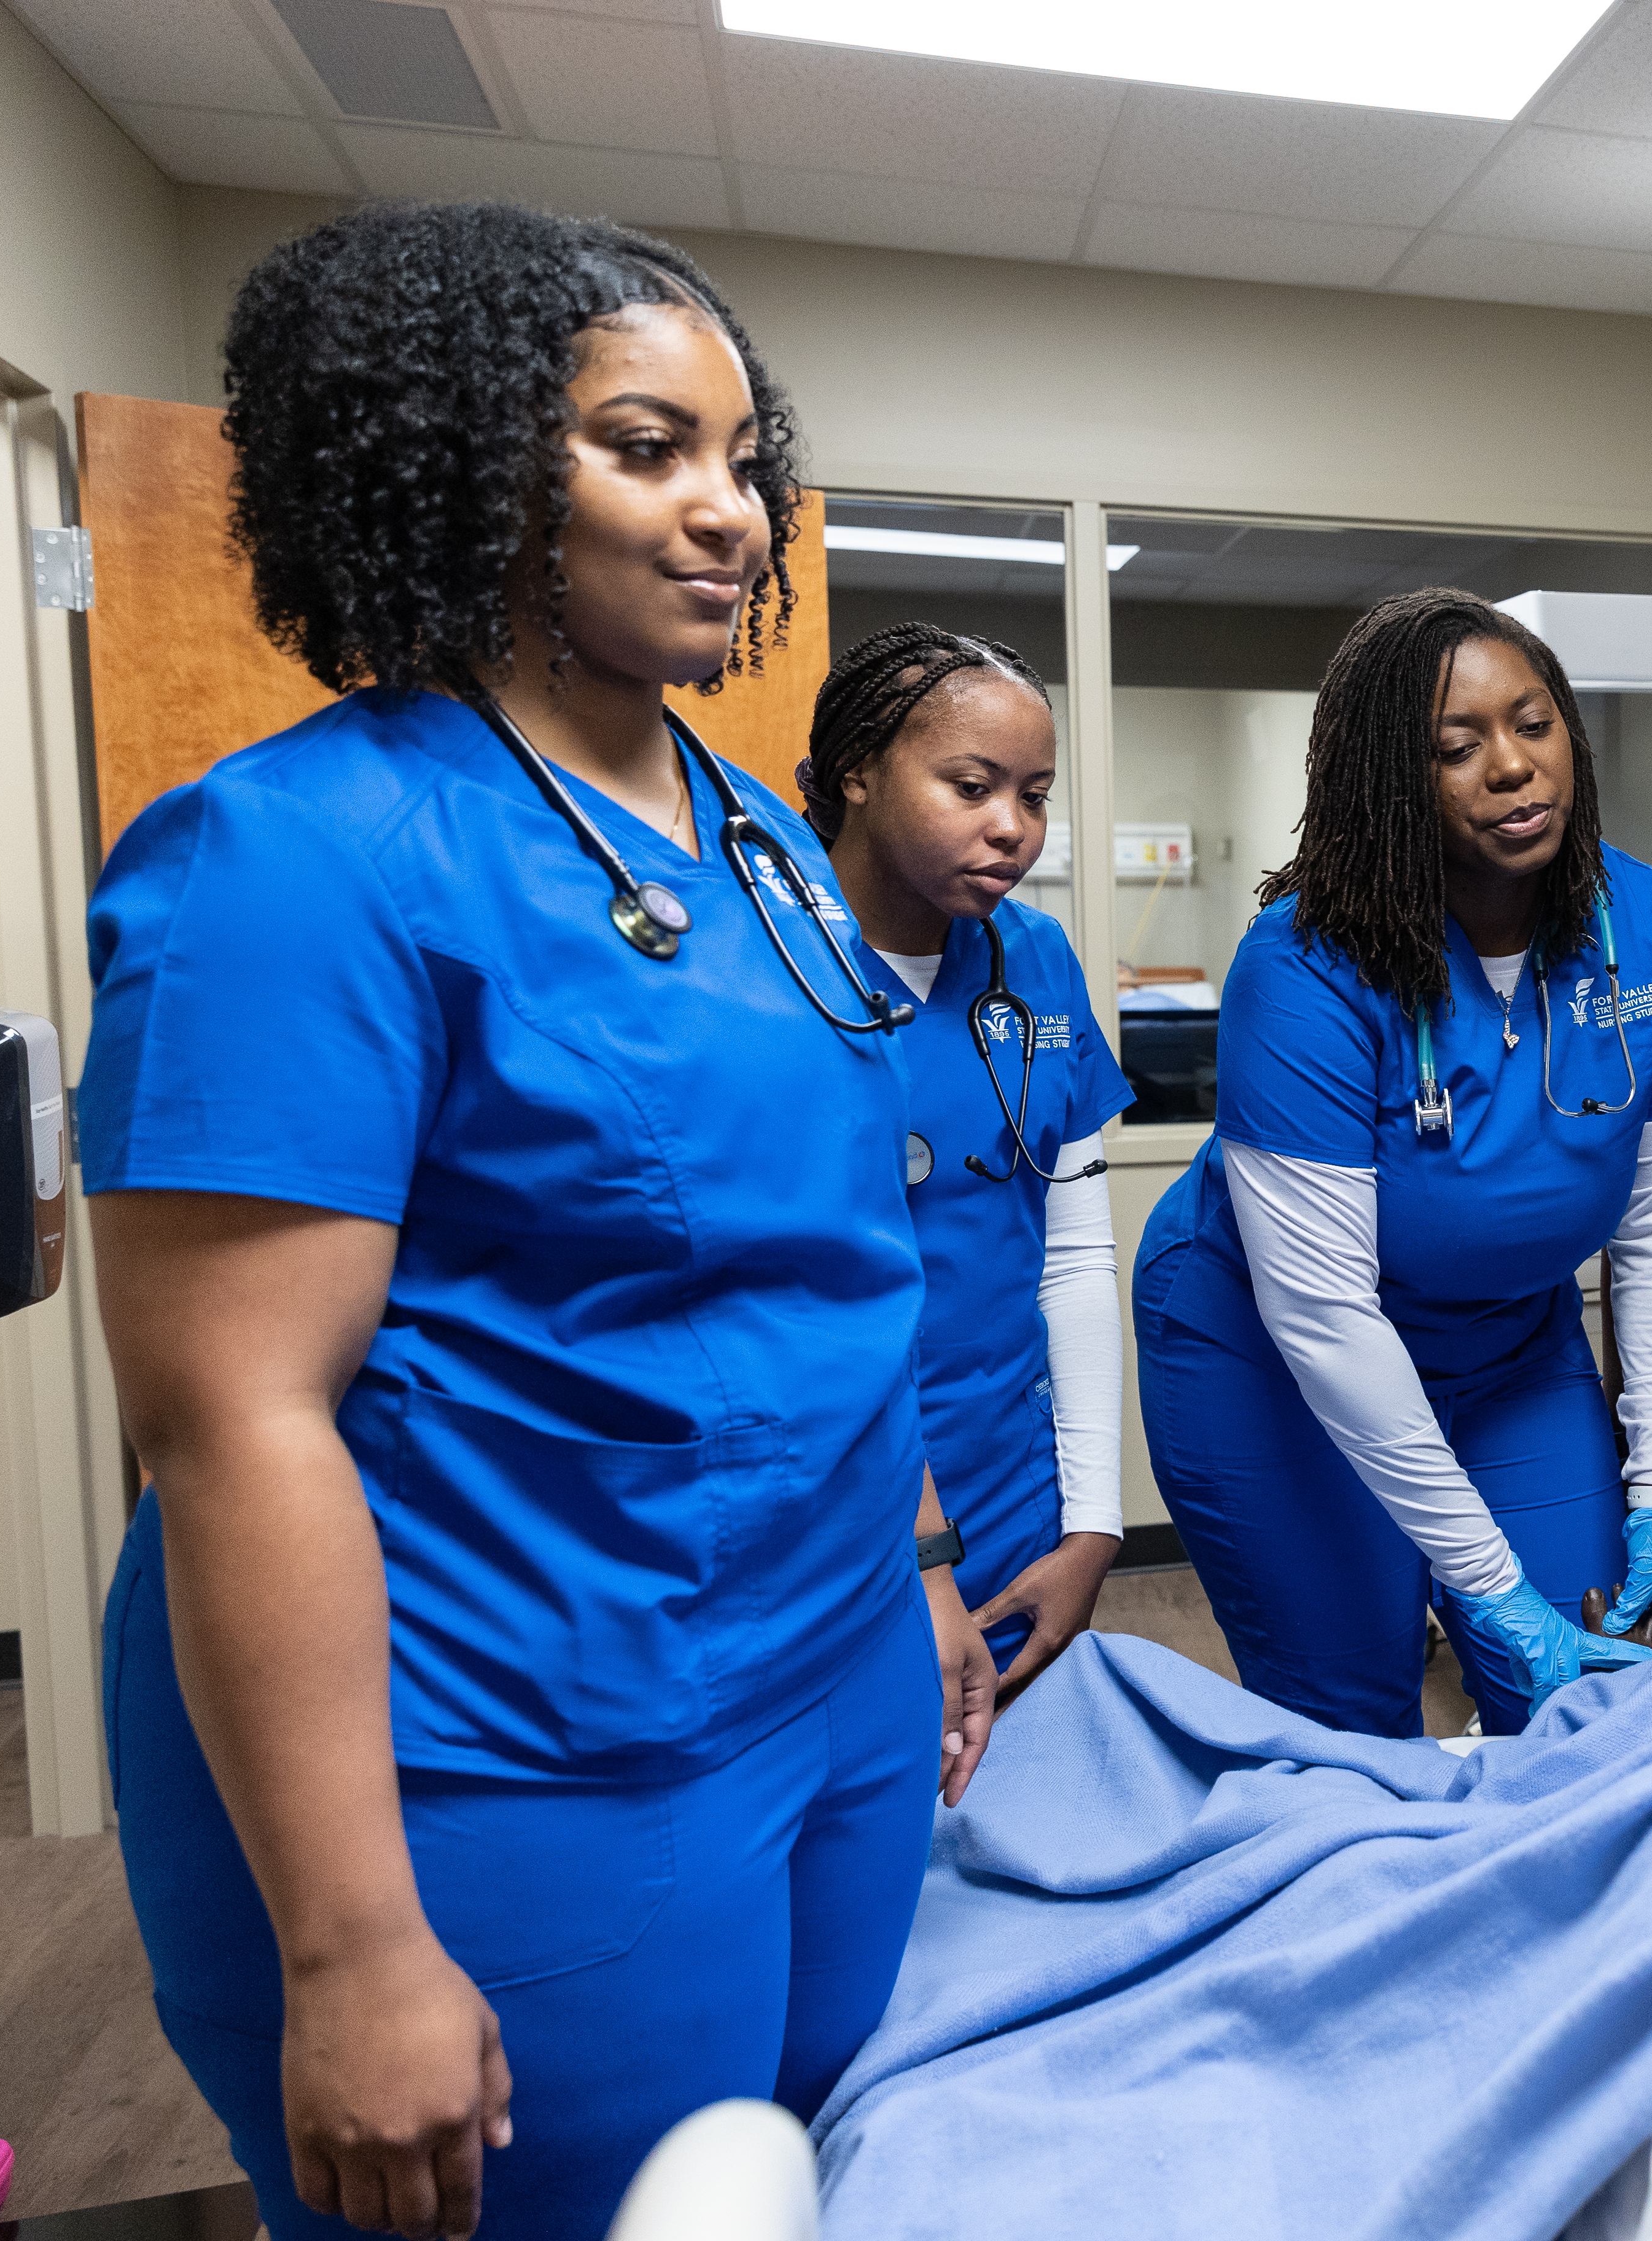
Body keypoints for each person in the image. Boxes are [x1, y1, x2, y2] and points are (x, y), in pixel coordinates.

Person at [83, 204, 991, 2241]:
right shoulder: (293, 861)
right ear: (475, 457)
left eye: (744, 460)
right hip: (519, 1740)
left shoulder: (748, 828)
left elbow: (834, 1246)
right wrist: (349, 1946)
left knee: (785, 2174)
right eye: (646, 447)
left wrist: (912, 1561)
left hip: (823, 1665)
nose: (729, 515)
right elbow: (236, 1423)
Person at [1131, 589, 1652, 1740]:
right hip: (1273, 1360)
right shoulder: (1305, 967)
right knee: (1350, 1716)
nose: (1512, 767)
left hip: (1508, 1345)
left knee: (1587, 1706)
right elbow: (1327, 1318)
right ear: (1392, 781)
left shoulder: (1634, 920)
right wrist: (1485, 1585)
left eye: (1534, 724)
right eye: (1457, 748)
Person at [810, 624, 1132, 1698]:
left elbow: (1076, 1257)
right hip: (837, 1490)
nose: (1013, 829)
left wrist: (1091, 1526)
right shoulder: (773, 964)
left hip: (1011, 1481)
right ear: (857, 769)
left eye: (1035, 796)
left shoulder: (1030, 959)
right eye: (971, 785)